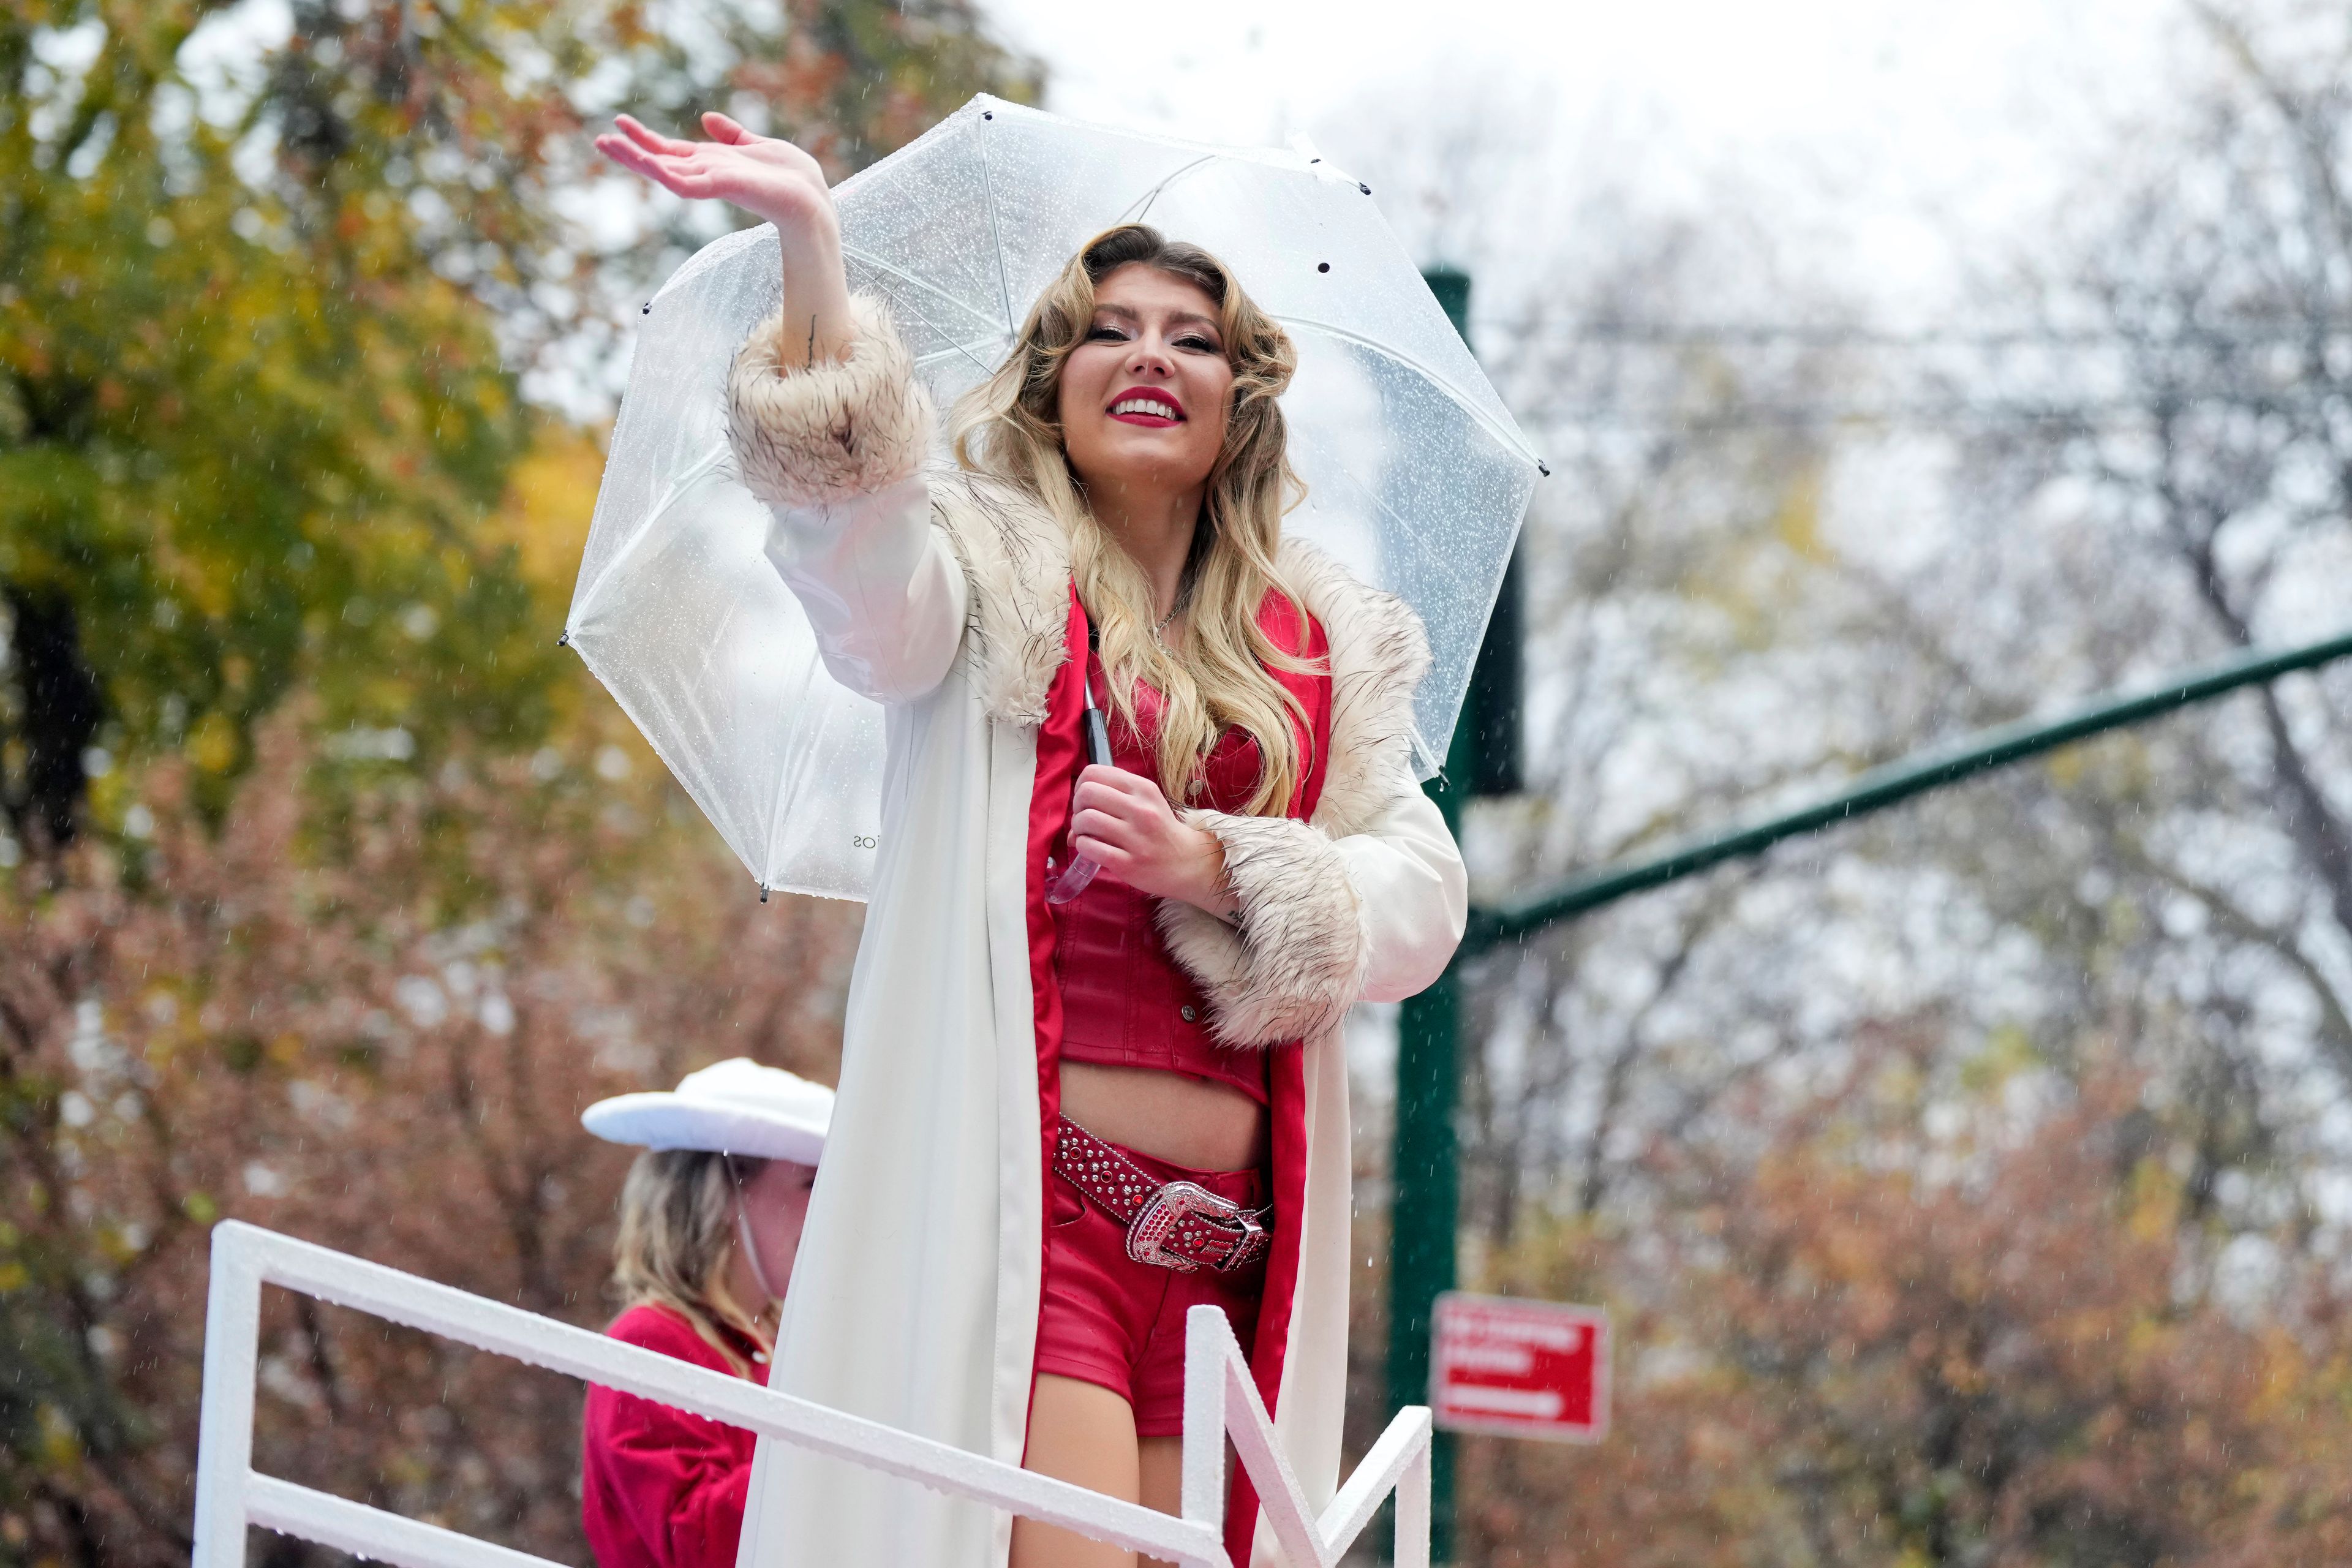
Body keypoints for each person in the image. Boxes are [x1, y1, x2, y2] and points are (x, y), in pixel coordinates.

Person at [595, 113, 1466, 1568]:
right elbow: (862, 580)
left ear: (1236, 401)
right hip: (1035, 1218)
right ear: (1053, 383)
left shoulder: (1330, 648)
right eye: (1107, 331)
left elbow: (1422, 899)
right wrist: (815, 250)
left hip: (1230, 1256)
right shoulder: (979, 576)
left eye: (1189, 337)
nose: (1148, 356)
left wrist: (1216, 866)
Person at [576, 1058, 834, 1568]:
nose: (832, 1208)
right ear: (724, 1195)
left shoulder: (779, 1342)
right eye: (810, 1184)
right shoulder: (648, 1340)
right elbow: (699, 1543)